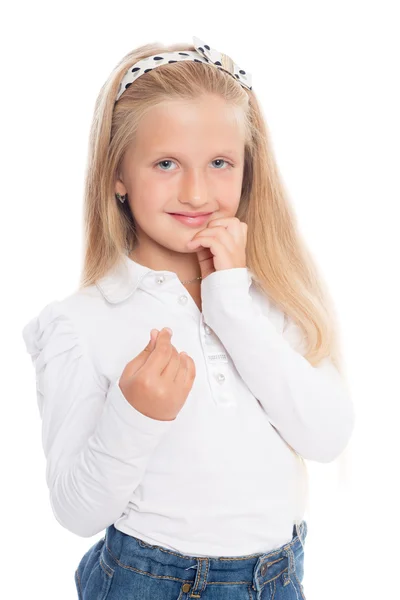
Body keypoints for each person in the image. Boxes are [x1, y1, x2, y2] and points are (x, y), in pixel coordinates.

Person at [21, 35, 355, 599]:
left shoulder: (270, 299)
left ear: (249, 171)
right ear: (117, 174)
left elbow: (326, 436)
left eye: (220, 163)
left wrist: (233, 306)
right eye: (167, 163)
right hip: (148, 581)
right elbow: (77, 511)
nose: (197, 192)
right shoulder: (81, 323)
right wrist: (134, 413)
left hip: (276, 578)